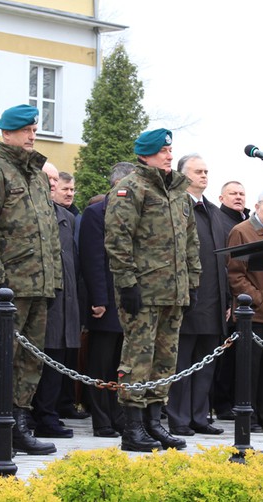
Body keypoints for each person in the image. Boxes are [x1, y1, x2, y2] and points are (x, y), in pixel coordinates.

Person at [104, 128, 201, 452]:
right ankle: (132, 429)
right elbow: (118, 241)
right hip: (143, 291)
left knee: (165, 359)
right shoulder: (131, 188)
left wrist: (193, 281)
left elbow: (190, 241)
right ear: (145, 154)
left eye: (170, 151)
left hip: (174, 290)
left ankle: (154, 423)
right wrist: (127, 283)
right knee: (138, 358)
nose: (169, 155)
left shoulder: (177, 191)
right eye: (162, 151)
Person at [0, 104, 61, 457]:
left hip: (38, 284)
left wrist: (53, 281)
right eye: (25, 130)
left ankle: (21, 424)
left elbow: (49, 232)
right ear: (6, 132)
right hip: (8, 285)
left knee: (30, 359)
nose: (32, 135)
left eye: (35, 130)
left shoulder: (38, 174)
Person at [167, 155, 228, 437]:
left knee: (206, 364)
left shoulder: (214, 212)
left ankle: (199, 416)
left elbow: (223, 261)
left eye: (206, 171)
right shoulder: (175, 205)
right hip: (187, 299)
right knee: (182, 363)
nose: (204, 175)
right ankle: (178, 418)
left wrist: (226, 300)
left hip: (214, 302)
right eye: (198, 171)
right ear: (182, 174)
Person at [80, 162, 135, 438]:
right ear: (117, 184)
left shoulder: (137, 212)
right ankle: (101, 420)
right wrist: (99, 300)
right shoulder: (95, 213)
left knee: (122, 364)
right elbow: (92, 259)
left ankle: (119, 416)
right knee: (102, 363)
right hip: (106, 302)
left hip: (130, 299)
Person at [227, 189, 263, 433]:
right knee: (249, 371)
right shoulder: (241, 231)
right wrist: (258, 298)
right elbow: (234, 273)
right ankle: (248, 417)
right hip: (252, 313)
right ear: (257, 206)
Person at [31, 164, 81, 439]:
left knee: (57, 360)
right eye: (48, 178)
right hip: (42, 299)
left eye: (55, 178)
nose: (52, 183)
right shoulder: (31, 211)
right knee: (36, 360)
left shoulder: (66, 217)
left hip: (65, 299)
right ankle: (31, 415)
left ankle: (48, 415)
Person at [211, 180, 249, 422]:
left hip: (247, 299)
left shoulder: (248, 223)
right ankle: (221, 403)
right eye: (233, 193)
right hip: (228, 296)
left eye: (242, 193)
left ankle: (238, 401)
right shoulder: (219, 220)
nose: (238, 197)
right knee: (225, 356)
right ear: (221, 197)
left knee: (240, 358)